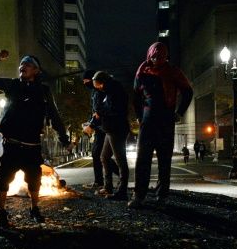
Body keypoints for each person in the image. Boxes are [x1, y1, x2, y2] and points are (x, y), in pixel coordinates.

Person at [0, 49, 72, 227]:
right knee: (4, 177)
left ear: (37, 70)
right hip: (12, 144)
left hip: (32, 145)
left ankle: (34, 208)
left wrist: (64, 139)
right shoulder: (13, 85)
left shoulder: (44, 91)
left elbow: (54, 116)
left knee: (34, 179)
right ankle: (2, 211)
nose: (23, 66)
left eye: (28, 64)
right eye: (22, 64)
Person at [130, 42, 194, 208]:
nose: (157, 59)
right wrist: (139, 116)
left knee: (164, 160)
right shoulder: (141, 71)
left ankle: (162, 196)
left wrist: (179, 112)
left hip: (165, 120)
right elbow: (136, 96)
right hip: (148, 120)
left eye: (160, 56)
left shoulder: (173, 71)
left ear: (166, 56)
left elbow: (188, 92)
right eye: (154, 56)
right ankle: (139, 195)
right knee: (142, 159)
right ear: (149, 55)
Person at [92, 71, 130, 200]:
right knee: (104, 157)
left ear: (102, 82)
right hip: (110, 129)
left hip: (117, 129)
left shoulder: (115, 90)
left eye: (97, 85)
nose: (97, 87)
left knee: (120, 161)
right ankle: (108, 187)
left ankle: (122, 191)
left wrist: (100, 113)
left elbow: (115, 109)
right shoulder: (108, 90)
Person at [82, 69, 118, 190]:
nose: (85, 83)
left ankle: (105, 181)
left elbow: (101, 110)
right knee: (99, 155)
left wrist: (91, 124)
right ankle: (102, 182)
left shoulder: (101, 91)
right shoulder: (95, 91)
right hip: (100, 127)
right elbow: (96, 111)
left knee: (101, 155)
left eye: (87, 81)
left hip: (104, 127)